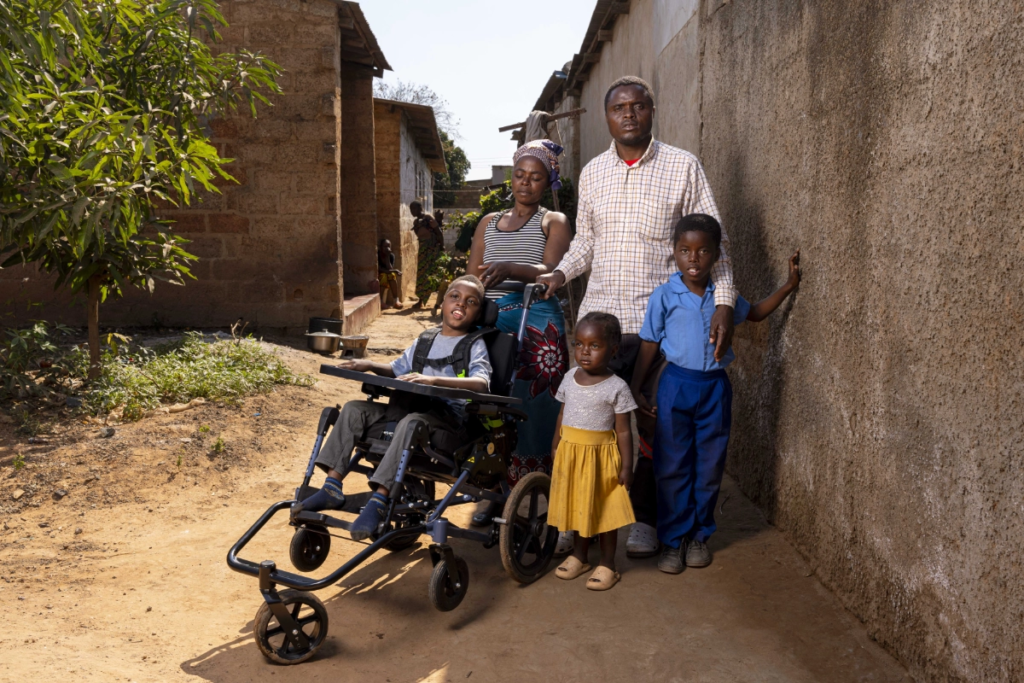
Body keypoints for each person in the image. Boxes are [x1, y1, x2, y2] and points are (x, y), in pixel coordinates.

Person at [538, 75, 736, 559]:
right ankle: (580, 519)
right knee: (590, 427)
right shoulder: (594, 172)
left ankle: (645, 519)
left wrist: (725, 302)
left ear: (651, 111)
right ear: (608, 116)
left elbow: (716, 239)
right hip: (601, 329)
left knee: (653, 429)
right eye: (618, 107)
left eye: (638, 106)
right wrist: (558, 274)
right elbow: (586, 242)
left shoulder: (683, 166)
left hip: (661, 333)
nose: (628, 114)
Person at [630, 213, 801, 573]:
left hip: (714, 389)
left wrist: (788, 286)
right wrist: (636, 387)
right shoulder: (665, 295)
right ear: (674, 252)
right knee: (671, 466)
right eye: (685, 250)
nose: (693, 259)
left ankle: (699, 537)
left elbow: (755, 314)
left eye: (703, 251)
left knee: (708, 466)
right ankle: (673, 540)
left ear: (716, 255)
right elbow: (649, 342)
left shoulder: (724, 297)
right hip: (675, 386)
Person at [293, 275, 492, 541]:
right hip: (411, 410)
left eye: (471, 302)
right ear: (443, 301)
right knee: (353, 409)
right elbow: (397, 370)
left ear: (478, 313)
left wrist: (433, 380)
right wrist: (369, 365)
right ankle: (331, 487)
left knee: (411, 424)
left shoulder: (474, 344)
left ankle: (379, 501)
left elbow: (481, 382)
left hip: (447, 423)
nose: (461, 304)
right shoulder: (426, 339)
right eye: (455, 296)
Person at [466, 139, 571, 503]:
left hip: (536, 321)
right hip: (491, 321)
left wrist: (511, 268)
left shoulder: (553, 221)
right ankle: (493, 488)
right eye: (520, 175)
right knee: (487, 402)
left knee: (533, 405)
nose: (526, 183)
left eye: (536, 177)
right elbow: (472, 277)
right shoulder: (488, 223)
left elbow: (552, 269)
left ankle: (537, 488)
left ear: (548, 181)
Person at [549, 312, 637, 591]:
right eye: (579, 344)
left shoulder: (617, 387)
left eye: (594, 345)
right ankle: (580, 556)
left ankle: (608, 564)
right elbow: (562, 414)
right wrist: (555, 444)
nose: (584, 351)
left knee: (605, 512)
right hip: (572, 455)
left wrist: (626, 467)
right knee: (579, 506)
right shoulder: (569, 377)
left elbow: (624, 431)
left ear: (613, 350)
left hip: (601, 459)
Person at [411, 201, 446, 312]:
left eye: (414, 208)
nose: (412, 211)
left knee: (435, 274)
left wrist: (442, 247)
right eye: (411, 209)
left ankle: (440, 302)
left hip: (433, 251)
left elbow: (438, 232)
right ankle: (420, 301)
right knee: (422, 275)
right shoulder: (416, 222)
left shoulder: (428, 218)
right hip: (423, 252)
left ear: (420, 208)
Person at [377, 238, 403, 310]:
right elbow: (379, 269)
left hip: (387, 274)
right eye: (385, 246)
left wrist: (387, 256)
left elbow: (389, 269)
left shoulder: (391, 256)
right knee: (384, 276)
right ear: (381, 247)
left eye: (388, 246)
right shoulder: (377, 255)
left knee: (392, 275)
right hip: (379, 275)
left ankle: (396, 300)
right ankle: (381, 302)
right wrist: (395, 270)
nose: (387, 248)